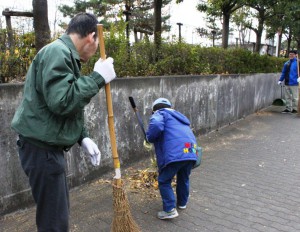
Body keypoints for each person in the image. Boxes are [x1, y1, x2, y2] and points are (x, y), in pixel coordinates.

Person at [11, 12, 116, 231]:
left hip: (44, 149)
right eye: (97, 42)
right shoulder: (58, 52)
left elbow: (58, 107)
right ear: (91, 37)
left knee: (55, 215)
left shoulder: (62, 53)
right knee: (54, 222)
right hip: (42, 151)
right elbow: (62, 102)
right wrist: (97, 78)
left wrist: (83, 136)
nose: (96, 48)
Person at [144, 98, 198, 220]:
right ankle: (182, 203)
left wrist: (149, 138)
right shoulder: (179, 117)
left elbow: (156, 125)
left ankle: (169, 210)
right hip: (190, 151)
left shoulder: (160, 113)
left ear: (154, 109)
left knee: (164, 180)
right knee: (183, 178)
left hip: (175, 153)